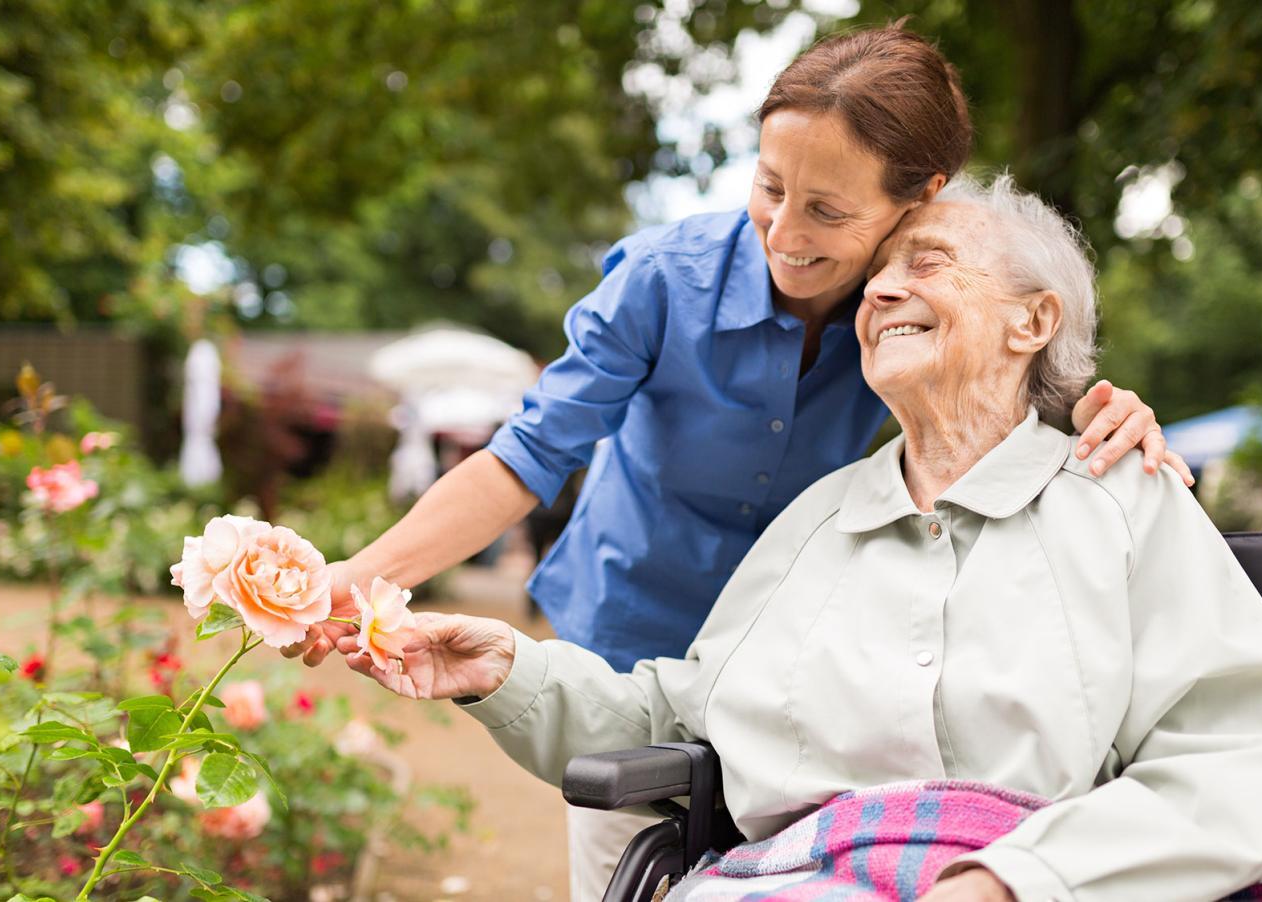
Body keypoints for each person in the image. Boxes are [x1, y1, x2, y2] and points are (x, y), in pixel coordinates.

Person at [291, 24, 1189, 896]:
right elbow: (524, 457)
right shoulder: (659, 281)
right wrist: (361, 577)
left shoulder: (906, 313)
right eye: (770, 187)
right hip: (630, 633)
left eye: (829, 210)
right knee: (623, 862)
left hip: (800, 669)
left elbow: (1015, 380)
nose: (786, 233)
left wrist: (1114, 409)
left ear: (919, 197)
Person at [339, 174, 1262, 901]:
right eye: (874, 276)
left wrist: (1014, 878)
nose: (875, 290)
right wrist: (503, 670)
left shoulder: (1123, 500)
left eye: (928, 263)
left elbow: (1248, 747)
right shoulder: (820, 517)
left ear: (1030, 320)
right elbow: (684, 712)